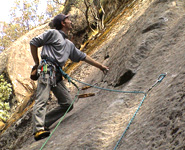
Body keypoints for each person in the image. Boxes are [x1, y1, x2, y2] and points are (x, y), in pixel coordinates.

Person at [30, 13, 109, 141]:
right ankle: (38, 130)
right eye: (68, 19)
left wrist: (100, 66)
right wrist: (36, 63)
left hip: (57, 74)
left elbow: (83, 56)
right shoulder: (53, 33)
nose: (71, 21)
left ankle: (44, 122)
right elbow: (33, 42)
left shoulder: (68, 44)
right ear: (63, 22)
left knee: (67, 103)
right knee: (42, 99)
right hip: (47, 70)